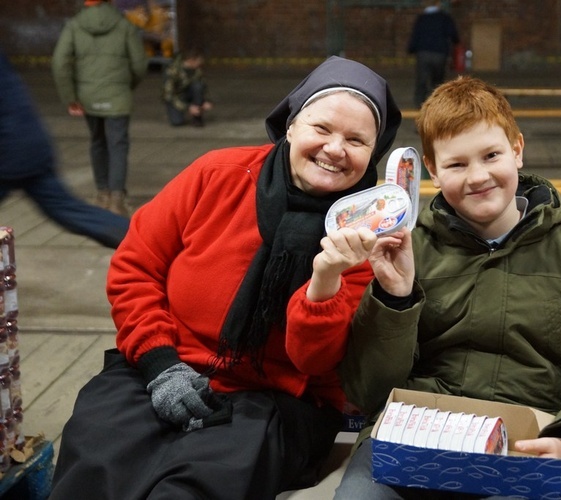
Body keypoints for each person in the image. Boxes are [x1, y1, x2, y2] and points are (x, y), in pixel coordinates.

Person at [49, 55, 401, 500]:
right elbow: (136, 267)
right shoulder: (218, 174)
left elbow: (315, 363)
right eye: (322, 128)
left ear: (373, 153)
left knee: (190, 488)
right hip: (164, 366)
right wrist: (160, 365)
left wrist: (325, 279)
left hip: (274, 400)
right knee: (96, 463)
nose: (336, 148)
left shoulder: (368, 230)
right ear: (291, 125)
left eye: (356, 139)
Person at [334, 76, 561, 498]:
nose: (478, 176)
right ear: (432, 170)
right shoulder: (407, 251)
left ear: (517, 150)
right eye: (457, 164)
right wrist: (395, 298)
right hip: (413, 440)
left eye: (491, 155)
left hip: (523, 443)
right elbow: (367, 390)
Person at [0, 51, 129, 249]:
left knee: (67, 209)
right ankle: (144, 239)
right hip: (30, 143)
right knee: (69, 210)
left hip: (8, 149)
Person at [51, 0, 148, 217]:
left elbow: (60, 63)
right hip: (118, 96)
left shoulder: (74, 25)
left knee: (97, 141)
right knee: (118, 144)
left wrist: (71, 97)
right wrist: (125, 86)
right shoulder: (124, 25)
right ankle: (117, 199)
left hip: (88, 97)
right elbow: (140, 64)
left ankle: (102, 194)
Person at [407, 0, 459, 108]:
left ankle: (419, 105)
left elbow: (415, 36)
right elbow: (453, 35)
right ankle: (436, 105)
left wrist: (411, 49)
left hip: (423, 53)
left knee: (422, 80)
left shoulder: (421, 19)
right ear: (437, 4)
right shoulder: (445, 18)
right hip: (439, 53)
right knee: (437, 81)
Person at [162, 47, 213, 127]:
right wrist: (187, 107)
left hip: (189, 92)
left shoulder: (197, 70)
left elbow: (203, 85)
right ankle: (185, 112)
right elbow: (168, 95)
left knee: (198, 86)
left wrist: (205, 101)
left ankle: (197, 117)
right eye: (198, 61)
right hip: (176, 97)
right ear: (191, 60)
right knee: (177, 122)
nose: (201, 63)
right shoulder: (172, 70)